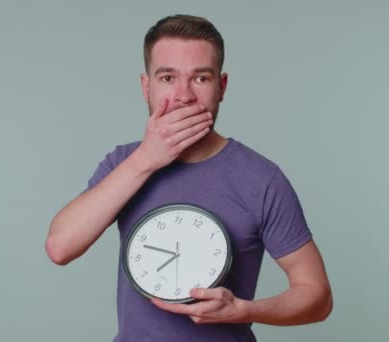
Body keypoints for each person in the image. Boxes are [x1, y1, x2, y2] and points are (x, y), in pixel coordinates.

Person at [46, 14, 333, 341]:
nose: (183, 95)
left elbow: (317, 296)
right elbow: (60, 247)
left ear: (221, 87)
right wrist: (146, 159)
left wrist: (244, 310)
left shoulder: (261, 179)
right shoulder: (123, 163)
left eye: (200, 78)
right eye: (168, 78)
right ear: (146, 87)